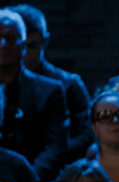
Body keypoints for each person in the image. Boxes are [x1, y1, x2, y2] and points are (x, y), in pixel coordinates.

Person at [10, 5, 91, 164]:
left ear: (44, 41)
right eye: (21, 46)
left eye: (32, 46)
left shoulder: (69, 84)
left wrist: (55, 151)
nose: (25, 54)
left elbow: (87, 134)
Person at [0, 9, 66, 182]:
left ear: (23, 45)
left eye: (9, 38)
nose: (3, 44)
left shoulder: (50, 91)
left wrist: (27, 181)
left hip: (36, 181)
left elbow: (54, 148)